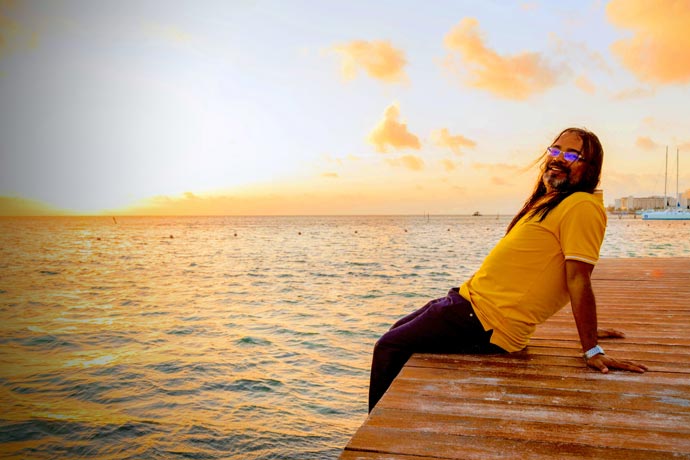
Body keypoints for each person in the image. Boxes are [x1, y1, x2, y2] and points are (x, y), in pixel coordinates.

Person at [368, 127, 648, 413]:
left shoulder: (582, 206)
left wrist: (591, 348)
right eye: (555, 150)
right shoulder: (553, 202)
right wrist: (588, 328)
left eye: (572, 155)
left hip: (485, 323)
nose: (558, 158)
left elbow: (578, 278)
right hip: (467, 304)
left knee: (388, 347)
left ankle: (378, 428)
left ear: (591, 168)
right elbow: (540, 274)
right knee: (396, 334)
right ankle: (397, 413)